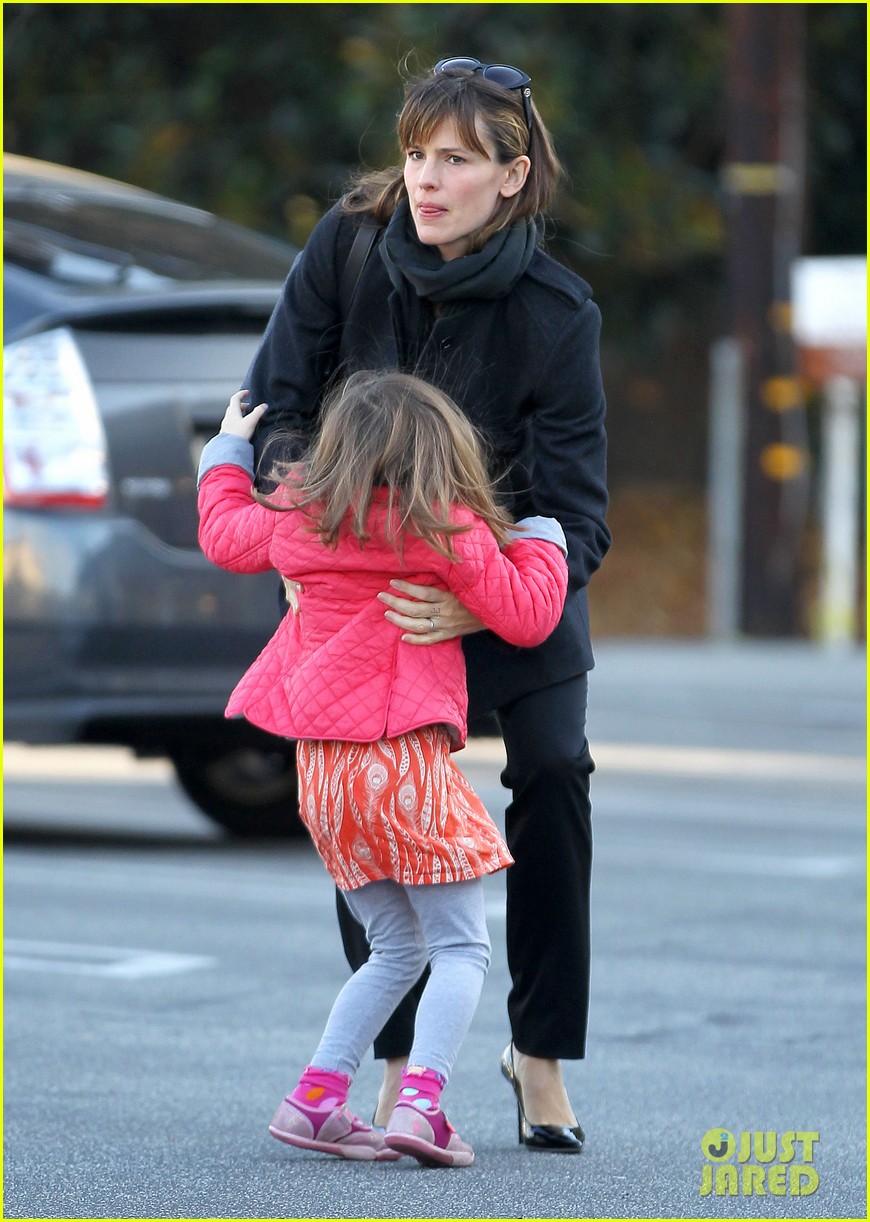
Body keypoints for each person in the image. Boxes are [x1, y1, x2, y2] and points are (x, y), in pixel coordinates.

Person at [245, 57, 611, 1152]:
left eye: (455, 158)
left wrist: (477, 602)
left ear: (512, 175)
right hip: (364, 594)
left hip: (499, 591)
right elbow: (275, 409)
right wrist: (317, 511)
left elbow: (575, 514)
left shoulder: (558, 311)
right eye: (416, 153)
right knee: (366, 784)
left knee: (552, 769)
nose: (426, 177)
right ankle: (403, 1060)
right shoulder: (347, 248)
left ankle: (536, 1050)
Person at [197, 369, 569, 1166]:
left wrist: (229, 446)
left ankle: (317, 1100)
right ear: (442, 453)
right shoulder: (450, 533)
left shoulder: (300, 519)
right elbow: (532, 617)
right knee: (463, 948)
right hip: (401, 764)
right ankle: (422, 1106)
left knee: (394, 948)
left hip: (323, 778)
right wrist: (545, 534)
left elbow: (224, 532)